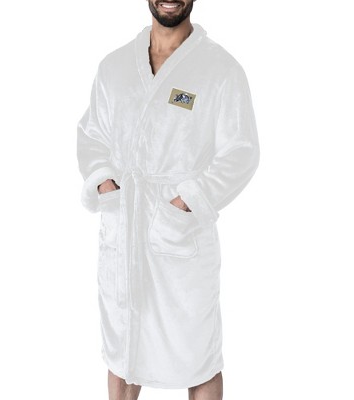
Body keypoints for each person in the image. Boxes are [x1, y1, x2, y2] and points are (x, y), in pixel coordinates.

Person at [76, 1, 260, 398]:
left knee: (198, 357)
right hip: (124, 233)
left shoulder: (220, 69)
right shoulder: (115, 66)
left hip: (181, 237)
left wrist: (188, 201)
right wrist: (105, 184)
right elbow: (92, 137)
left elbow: (241, 152)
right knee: (123, 353)